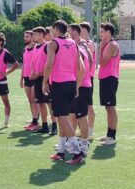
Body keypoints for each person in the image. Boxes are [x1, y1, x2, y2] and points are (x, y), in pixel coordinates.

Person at [43, 20, 85, 164]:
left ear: (55, 29)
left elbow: (48, 65)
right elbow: (79, 67)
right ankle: (61, 152)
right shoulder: (73, 43)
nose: (50, 32)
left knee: (63, 119)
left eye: (51, 29)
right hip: (71, 83)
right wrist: (77, 86)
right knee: (63, 119)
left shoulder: (53, 43)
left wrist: (44, 82)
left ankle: (77, 152)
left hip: (59, 84)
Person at [68, 24, 93, 156]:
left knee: (81, 117)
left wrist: (76, 87)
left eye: (68, 32)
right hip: (78, 86)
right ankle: (72, 143)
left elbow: (82, 69)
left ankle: (84, 144)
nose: (66, 34)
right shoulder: (76, 47)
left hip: (82, 87)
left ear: (74, 33)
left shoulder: (79, 48)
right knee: (72, 115)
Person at [27, 27, 57, 135]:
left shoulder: (47, 46)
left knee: (50, 103)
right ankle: (44, 126)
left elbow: (51, 64)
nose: (33, 36)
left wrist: (39, 74)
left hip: (46, 78)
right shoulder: (35, 47)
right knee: (41, 103)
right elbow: (33, 62)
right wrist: (32, 73)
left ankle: (54, 126)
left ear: (41, 35)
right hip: (37, 79)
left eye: (35, 34)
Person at [98, 22, 120, 145]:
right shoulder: (108, 45)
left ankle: (112, 136)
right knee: (108, 107)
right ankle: (109, 134)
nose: (100, 34)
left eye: (102, 31)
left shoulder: (112, 45)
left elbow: (102, 62)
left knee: (110, 107)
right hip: (105, 78)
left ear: (108, 32)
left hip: (110, 78)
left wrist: (101, 49)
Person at [80, 22, 96, 139]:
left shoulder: (89, 44)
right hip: (82, 77)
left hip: (88, 77)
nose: (80, 33)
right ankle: (84, 130)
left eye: (82, 30)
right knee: (81, 106)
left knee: (89, 105)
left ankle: (90, 130)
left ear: (87, 32)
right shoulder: (81, 43)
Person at [20, 30, 37, 128]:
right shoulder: (24, 49)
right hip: (26, 77)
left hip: (34, 77)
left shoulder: (36, 47)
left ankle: (35, 121)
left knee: (35, 100)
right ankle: (34, 119)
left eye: (27, 37)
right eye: (24, 36)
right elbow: (24, 64)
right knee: (30, 100)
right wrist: (21, 78)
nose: (25, 38)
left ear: (32, 37)